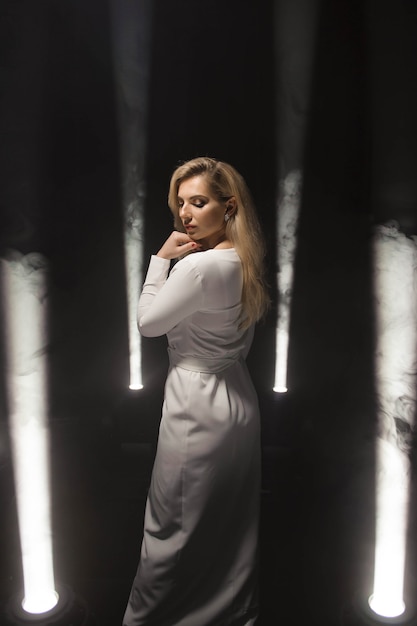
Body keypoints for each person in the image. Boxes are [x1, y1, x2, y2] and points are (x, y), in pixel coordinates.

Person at [123, 157, 269, 626]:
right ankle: (227, 612)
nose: (185, 213)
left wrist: (161, 261)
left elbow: (147, 324)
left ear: (228, 207)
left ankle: (155, 619)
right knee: (228, 524)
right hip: (238, 399)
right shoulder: (243, 257)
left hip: (197, 405)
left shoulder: (198, 267)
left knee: (172, 526)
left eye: (198, 202)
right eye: (181, 202)